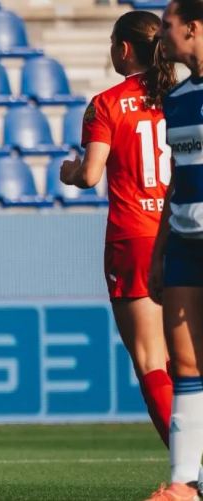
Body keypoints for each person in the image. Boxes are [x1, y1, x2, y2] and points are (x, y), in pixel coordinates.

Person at [60, 10, 177, 450]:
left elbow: (91, 174)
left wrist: (70, 171)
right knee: (186, 362)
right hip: (183, 232)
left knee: (151, 360)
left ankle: (192, 470)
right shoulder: (182, 98)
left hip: (135, 237)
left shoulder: (107, 103)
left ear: (124, 49)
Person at [146, 0, 203, 499]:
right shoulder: (178, 98)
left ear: (193, 28)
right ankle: (184, 484)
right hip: (184, 243)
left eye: (167, 25)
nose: (161, 34)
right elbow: (177, 181)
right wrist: (159, 250)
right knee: (184, 364)